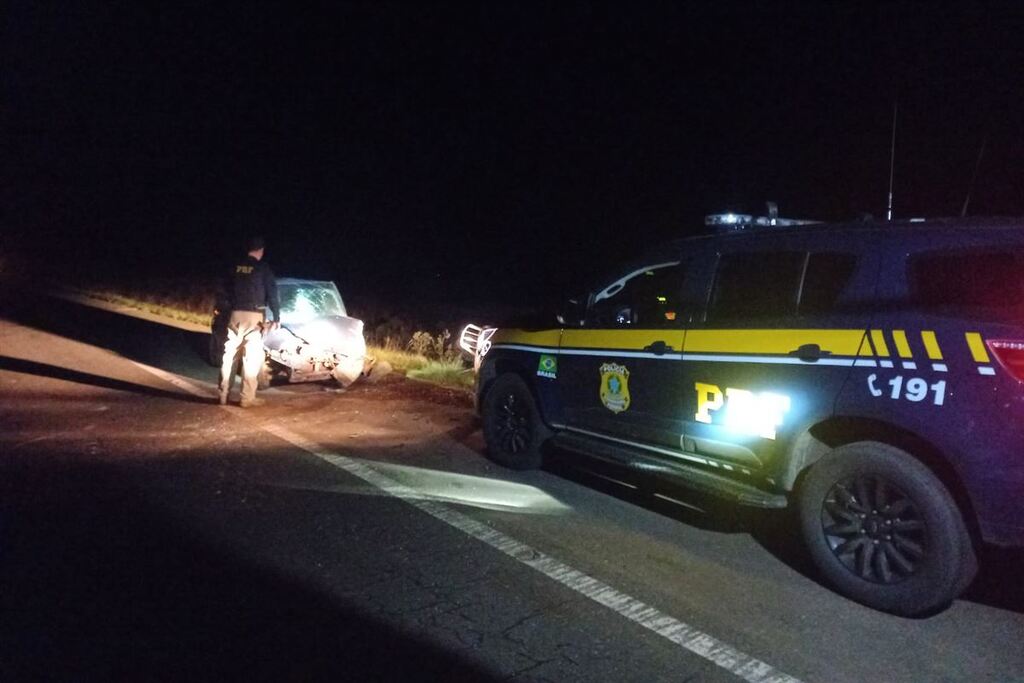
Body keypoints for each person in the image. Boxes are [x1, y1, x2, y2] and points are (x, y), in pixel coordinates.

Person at [217, 236, 280, 407]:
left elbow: (222, 290)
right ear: (261, 251)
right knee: (251, 358)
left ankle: (223, 394)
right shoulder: (263, 268)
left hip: (235, 315)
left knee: (229, 356)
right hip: (254, 317)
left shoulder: (234, 266)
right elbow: (273, 294)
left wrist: (224, 311)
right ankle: (247, 398)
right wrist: (276, 317)